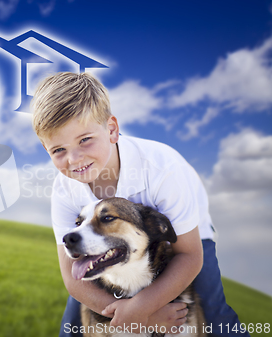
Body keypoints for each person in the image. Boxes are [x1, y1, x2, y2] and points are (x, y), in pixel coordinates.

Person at [31, 72, 249, 336]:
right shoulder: (64, 188)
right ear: (46, 149)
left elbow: (189, 256)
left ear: (111, 130)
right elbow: (72, 278)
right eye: (58, 150)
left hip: (185, 237)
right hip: (101, 244)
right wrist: (136, 318)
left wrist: (141, 306)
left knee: (214, 314)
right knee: (73, 326)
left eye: (85, 140)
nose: (74, 159)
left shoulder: (163, 170)